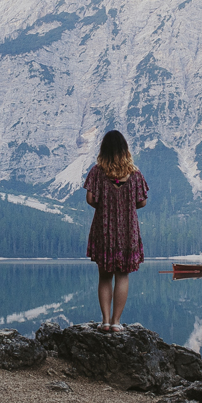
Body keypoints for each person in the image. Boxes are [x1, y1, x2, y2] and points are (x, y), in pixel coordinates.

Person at [84, 130, 148, 333]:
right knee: (122, 276)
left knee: (104, 276)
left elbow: (91, 199)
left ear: (104, 150)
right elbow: (142, 201)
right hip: (127, 230)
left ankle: (104, 321)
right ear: (125, 150)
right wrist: (126, 206)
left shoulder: (96, 172)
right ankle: (116, 322)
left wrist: (107, 207)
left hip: (104, 228)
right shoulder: (135, 174)